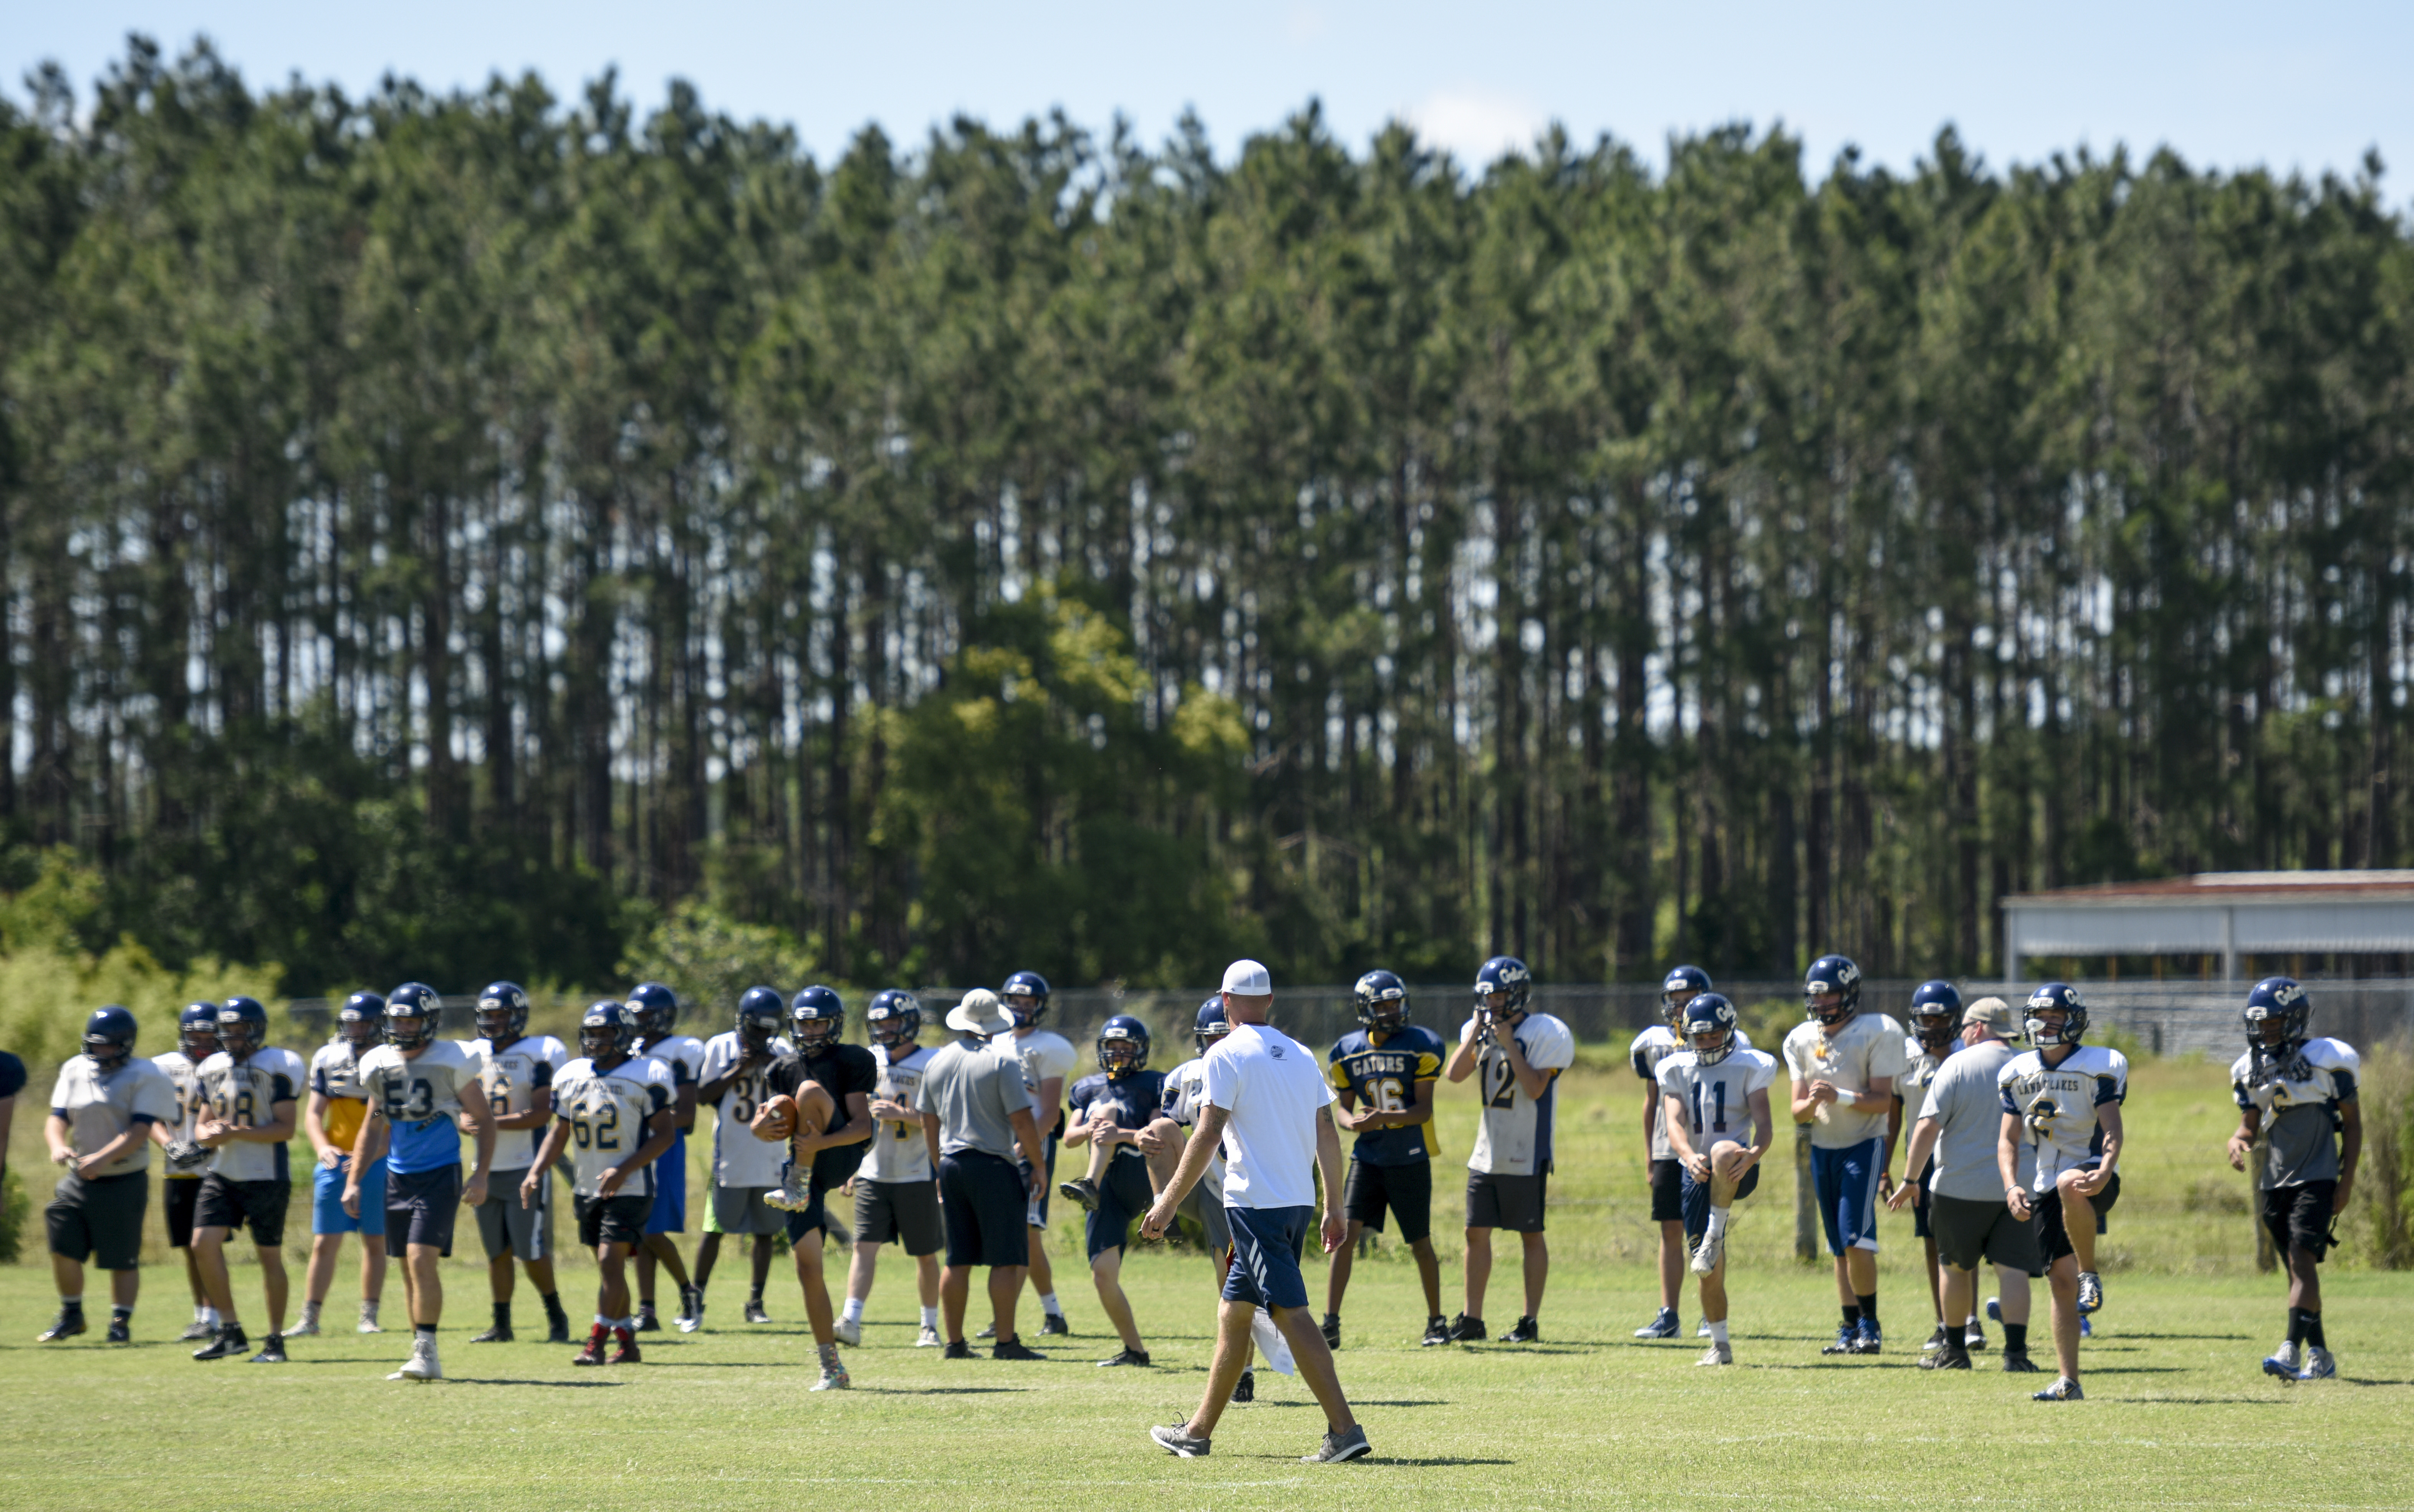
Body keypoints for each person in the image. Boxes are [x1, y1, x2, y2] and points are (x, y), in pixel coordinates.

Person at [1141, 959, 1369, 1465]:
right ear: (1269, 1001)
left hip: (1255, 1206)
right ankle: (1197, 1432)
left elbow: (1204, 1133)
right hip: (1296, 1202)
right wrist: (1335, 1205)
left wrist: (1167, 1201)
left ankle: (1345, 1429)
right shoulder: (1299, 1053)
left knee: (1288, 1311)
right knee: (1234, 1311)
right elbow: (1327, 1133)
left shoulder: (1224, 1054)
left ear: (1225, 1002)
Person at [349, 981, 496, 1382]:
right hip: (399, 1174)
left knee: (420, 1258)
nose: (404, 1026)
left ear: (429, 1021)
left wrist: (480, 1172)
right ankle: (421, 1352)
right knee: (406, 1266)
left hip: (440, 1172)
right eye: (398, 1018)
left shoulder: (451, 1061)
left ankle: (427, 1351)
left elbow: (484, 1119)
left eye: (411, 1018)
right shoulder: (380, 1063)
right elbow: (372, 1126)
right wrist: (354, 1180)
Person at [1885, 997, 2041, 1373]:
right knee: (2013, 1271)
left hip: (1959, 1186)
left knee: (1953, 1268)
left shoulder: (1956, 1064)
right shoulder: (2031, 1065)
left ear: (1976, 1028)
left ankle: (1954, 1352)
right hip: (2018, 1186)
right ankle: (2016, 1355)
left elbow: (1926, 1126)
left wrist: (1909, 1179)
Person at [526, 1000, 678, 1367]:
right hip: (586, 1187)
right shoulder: (571, 1074)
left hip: (631, 1187)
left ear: (624, 1035)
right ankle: (628, 1343)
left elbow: (665, 1135)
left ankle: (595, 1342)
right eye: (591, 1033)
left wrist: (624, 1169)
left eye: (605, 1033)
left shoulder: (647, 1073)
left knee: (611, 1263)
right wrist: (536, 1171)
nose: (596, 1040)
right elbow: (559, 1131)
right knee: (609, 1269)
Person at [2225, 976, 2361, 1382]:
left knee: (2302, 1260)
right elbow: (2250, 1123)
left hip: (2317, 1174)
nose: (2265, 1030)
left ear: (2296, 1019)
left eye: (2274, 1022)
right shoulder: (2249, 1067)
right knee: (2297, 1268)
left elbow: (2353, 1125)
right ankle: (2320, 1353)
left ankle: (2290, 1349)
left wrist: (2346, 1180)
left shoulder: (2327, 1058)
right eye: (2260, 1023)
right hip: (2274, 1178)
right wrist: (2238, 1138)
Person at [1997, 981, 2126, 1402]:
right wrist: (2011, 1184)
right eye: (2040, 1016)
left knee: (2071, 1183)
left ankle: (2091, 1274)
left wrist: (2107, 1167)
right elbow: (2007, 1139)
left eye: (2056, 1016)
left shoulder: (2100, 1063)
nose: (2047, 1024)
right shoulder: (2016, 1072)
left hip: (2091, 1174)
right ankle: (2068, 1380)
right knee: (2058, 1282)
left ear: (2074, 1021)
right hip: (2044, 1184)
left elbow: (2111, 1126)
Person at [1442, 954, 1573, 1344]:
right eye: (1486, 996)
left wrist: (1508, 1043)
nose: (1492, 1004)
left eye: (1499, 996)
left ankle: (1529, 1320)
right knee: (1475, 1232)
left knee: (1529, 1234)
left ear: (1517, 995)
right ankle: (1473, 1318)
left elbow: (1534, 1089)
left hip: (1527, 1149)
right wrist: (1474, 1037)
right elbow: (1454, 1075)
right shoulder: (1478, 1028)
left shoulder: (1544, 1032)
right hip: (1487, 1150)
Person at [916, 989, 1051, 1362]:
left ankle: (954, 1343)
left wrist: (938, 1165)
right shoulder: (1002, 1061)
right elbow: (1022, 1119)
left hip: (952, 1165)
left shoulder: (938, 1061)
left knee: (957, 1258)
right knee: (1005, 1258)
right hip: (994, 1165)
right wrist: (1038, 1165)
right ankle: (1005, 1342)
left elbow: (927, 1118)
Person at [1138, 996, 1262, 1401]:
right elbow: (1174, 1132)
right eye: (1210, 1038)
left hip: (1245, 1189)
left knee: (1234, 1287)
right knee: (1157, 1129)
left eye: (1222, 1036)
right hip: (1203, 1187)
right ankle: (1164, 1209)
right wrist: (1140, 1138)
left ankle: (1243, 1372)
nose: (1216, 1045)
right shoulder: (1188, 1076)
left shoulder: (1254, 1067)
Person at [1782, 953, 1906, 1356]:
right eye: (1816, 996)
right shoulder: (1801, 1038)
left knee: (1856, 1237)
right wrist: (1813, 1102)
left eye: (1830, 994)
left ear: (1850, 993)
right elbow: (1797, 1110)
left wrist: (1839, 1096)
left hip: (1863, 1144)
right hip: (1823, 1148)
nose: (1822, 1003)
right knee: (1839, 1245)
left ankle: (1870, 1324)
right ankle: (1849, 1325)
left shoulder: (1878, 1030)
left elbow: (1883, 1101)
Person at [1629, 965, 1757, 1341]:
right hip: (1668, 1145)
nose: (1681, 1006)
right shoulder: (1652, 1042)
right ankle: (1668, 1313)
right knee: (1670, 1230)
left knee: (1707, 1233)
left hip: (1709, 1145)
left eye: (1689, 999)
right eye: (1675, 1000)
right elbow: (1650, 1103)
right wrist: (1650, 1155)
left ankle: (1708, 1313)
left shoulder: (1732, 1039)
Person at [1321, 970, 1449, 1349]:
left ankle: (1436, 1322)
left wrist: (1383, 1118)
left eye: (1396, 1003)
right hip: (1368, 1157)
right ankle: (1330, 1323)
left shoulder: (1422, 1044)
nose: (1393, 1011)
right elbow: (1342, 1110)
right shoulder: (1347, 1050)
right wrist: (1353, 1123)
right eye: (1384, 1005)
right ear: (1366, 1009)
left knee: (1420, 1242)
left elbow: (1422, 1110)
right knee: (1344, 1238)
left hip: (1409, 1157)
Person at [40, 1006, 177, 1344]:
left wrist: (101, 1160)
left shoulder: (145, 1073)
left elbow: (141, 1129)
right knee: (61, 1236)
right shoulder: (75, 1067)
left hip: (123, 1177)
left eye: (108, 1046)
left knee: (121, 1255)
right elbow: (57, 1118)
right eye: (95, 1045)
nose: (100, 1052)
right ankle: (72, 1314)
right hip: (79, 1176)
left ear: (126, 1044)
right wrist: (58, 1145)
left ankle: (120, 1323)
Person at [1654, 993, 1777, 1366]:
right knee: (1707, 1269)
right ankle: (1720, 1345)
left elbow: (1765, 1122)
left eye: (1713, 1036)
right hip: (1697, 1169)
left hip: (1738, 1165)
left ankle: (1716, 1230)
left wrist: (1754, 1154)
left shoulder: (1750, 1063)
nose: (1706, 1043)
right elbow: (1673, 1122)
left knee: (1723, 1150)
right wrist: (1688, 1156)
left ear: (1729, 1031)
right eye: (1699, 1037)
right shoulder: (1675, 1067)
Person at [766, 984, 878, 1390]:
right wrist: (763, 1126)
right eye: (804, 1022)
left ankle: (796, 1186)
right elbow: (775, 1126)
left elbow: (863, 1127)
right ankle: (832, 1367)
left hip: (838, 1152)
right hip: (802, 1162)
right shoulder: (780, 1067)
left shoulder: (853, 1059)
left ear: (834, 1024)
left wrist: (820, 1143)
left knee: (810, 1091)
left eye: (818, 1022)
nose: (811, 1030)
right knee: (807, 1265)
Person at [190, 995, 306, 1363]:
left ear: (257, 1030)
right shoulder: (211, 1066)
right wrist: (207, 1136)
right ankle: (230, 1330)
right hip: (223, 1172)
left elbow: (285, 1129)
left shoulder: (280, 1063)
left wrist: (235, 1132)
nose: (234, 1038)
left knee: (268, 1256)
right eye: (228, 1031)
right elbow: (201, 1124)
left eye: (241, 1031)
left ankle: (275, 1340)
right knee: (201, 1244)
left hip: (266, 1174)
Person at [462, 980, 572, 1344]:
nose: (493, 1021)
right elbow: (459, 1104)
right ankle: (501, 1324)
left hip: (526, 1164)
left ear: (518, 1016)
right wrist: (462, 1119)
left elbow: (542, 1113)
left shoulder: (540, 1052)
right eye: (488, 1015)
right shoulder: (472, 1051)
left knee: (530, 1250)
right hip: (485, 1168)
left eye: (500, 1014)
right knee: (497, 1252)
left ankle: (556, 1315)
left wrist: (490, 1122)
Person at [1059, 1014, 1169, 1367]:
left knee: (1108, 1111)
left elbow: (1157, 1132)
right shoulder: (1087, 1086)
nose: (1119, 1053)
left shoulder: (1153, 1083)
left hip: (1140, 1169)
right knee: (1102, 1275)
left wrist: (1117, 1133)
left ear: (1140, 1051)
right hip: (1109, 1186)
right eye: (1113, 1047)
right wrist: (1095, 1129)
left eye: (1126, 1047)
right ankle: (1135, 1350)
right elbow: (1069, 1138)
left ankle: (1094, 1184)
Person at [842, 989, 944, 1348]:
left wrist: (902, 1114)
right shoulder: (869, 1060)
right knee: (863, 1247)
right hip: (873, 1170)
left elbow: (942, 1118)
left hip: (916, 1171)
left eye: (892, 1021)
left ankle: (929, 1325)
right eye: (879, 1023)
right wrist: (852, 1166)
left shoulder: (931, 1061)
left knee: (925, 1253)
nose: (885, 1029)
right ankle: (851, 1320)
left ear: (910, 1022)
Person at [690, 985, 794, 1332]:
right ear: (742, 1022)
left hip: (770, 1156)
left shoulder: (782, 1050)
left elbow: (797, 1096)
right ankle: (694, 1299)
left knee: (766, 1232)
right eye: (756, 1029)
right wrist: (738, 1069)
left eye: (768, 1029)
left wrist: (771, 1066)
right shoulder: (720, 1045)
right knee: (715, 1228)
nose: (763, 1036)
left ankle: (756, 1302)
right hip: (731, 1157)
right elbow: (703, 1095)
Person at [297, 992, 389, 1340]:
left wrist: (379, 1150)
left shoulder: (390, 1059)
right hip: (337, 1162)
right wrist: (323, 1146)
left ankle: (369, 1315)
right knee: (324, 1242)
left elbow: (385, 1113)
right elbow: (313, 1113)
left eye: (363, 1022)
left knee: (375, 1240)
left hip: (378, 1160)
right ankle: (310, 1317)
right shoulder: (329, 1057)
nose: (356, 1029)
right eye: (351, 1021)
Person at [995, 969, 1075, 1337]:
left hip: (1031, 1145)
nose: (1021, 1008)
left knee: (1026, 1230)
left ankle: (1005, 1318)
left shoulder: (1048, 1046)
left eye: (1029, 1003)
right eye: (1016, 1001)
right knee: (1023, 1233)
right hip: (996, 1143)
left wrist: (1024, 1145)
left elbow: (1050, 1112)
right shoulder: (994, 1042)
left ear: (1040, 1007)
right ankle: (1053, 1313)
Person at [626, 981, 706, 1332]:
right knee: (640, 1231)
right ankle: (647, 1310)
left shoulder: (681, 1049)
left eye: (645, 1015)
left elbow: (686, 1115)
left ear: (664, 1017)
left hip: (665, 1146)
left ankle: (690, 1292)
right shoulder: (629, 1048)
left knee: (652, 1229)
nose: (639, 1022)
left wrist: (645, 1121)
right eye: (635, 1015)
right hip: (634, 1145)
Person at [1894, 980, 1965, 1355]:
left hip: (1963, 1156)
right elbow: (1894, 1111)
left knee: (1966, 1240)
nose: (1933, 1025)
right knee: (1932, 1240)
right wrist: (1890, 1167)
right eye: (1926, 1017)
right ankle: (1944, 1322)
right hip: (1920, 1160)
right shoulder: (1903, 1056)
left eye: (1941, 1018)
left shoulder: (1969, 1053)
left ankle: (1967, 1320)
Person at [154, 1002, 223, 1341]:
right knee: (189, 1247)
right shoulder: (163, 1067)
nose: (200, 1041)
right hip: (178, 1170)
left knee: (208, 1245)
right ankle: (203, 1315)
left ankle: (218, 1315)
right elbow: (147, 1114)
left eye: (207, 1034)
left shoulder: (229, 1065)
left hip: (219, 1168)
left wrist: (210, 1143)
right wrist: (169, 1144)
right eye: (194, 1034)